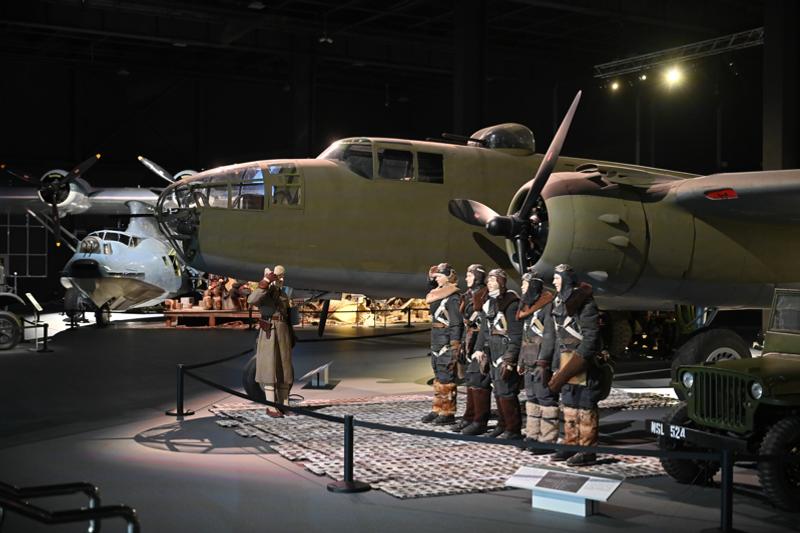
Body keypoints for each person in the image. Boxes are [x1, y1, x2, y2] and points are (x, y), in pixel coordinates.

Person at [544, 264, 602, 466]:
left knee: (585, 406)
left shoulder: (585, 303)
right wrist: (555, 366)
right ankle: (571, 443)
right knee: (569, 404)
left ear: (566, 280)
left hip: (583, 362)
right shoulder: (558, 302)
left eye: (557, 278)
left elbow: (591, 336)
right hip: (564, 358)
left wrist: (579, 360)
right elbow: (558, 338)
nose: (554, 282)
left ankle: (587, 450)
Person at [472, 269, 523, 439]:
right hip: (493, 351)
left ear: (501, 282)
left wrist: (510, 358)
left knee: (507, 391)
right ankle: (502, 425)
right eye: (489, 280)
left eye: (493, 280)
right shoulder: (488, 303)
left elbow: (516, 334)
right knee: (498, 390)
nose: (489, 283)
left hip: (504, 351)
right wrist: (479, 348)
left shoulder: (511, 302)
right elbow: (484, 330)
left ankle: (513, 429)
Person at [516, 270, 557, 453]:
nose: (522, 287)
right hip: (529, 358)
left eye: (525, 284)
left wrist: (544, 361)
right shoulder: (528, 307)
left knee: (545, 398)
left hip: (540, 359)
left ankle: (547, 439)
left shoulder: (547, 306)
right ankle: (532, 435)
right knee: (531, 398)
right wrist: (521, 360)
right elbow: (525, 336)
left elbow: (549, 336)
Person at [247, 265, 296, 417]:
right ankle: (271, 406)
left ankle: (284, 404)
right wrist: (265, 282)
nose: (281, 279)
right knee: (269, 367)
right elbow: (252, 299)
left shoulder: (283, 294)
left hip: (283, 330)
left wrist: (292, 334)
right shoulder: (264, 292)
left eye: (282, 276)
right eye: (278, 276)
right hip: (269, 330)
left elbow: (288, 315)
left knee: (284, 368)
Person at [421, 263, 463, 425]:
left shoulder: (452, 297)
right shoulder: (437, 295)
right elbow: (430, 287)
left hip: (446, 341)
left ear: (447, 277)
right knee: (438, 377)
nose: (436, 279)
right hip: (437, 340)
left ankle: (448, 412)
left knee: (446, 378)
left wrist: (455, 344)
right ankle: (438, 408)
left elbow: (456, 323)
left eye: (439, 276)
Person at [453, 264, 490, 434]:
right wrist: (461, 343)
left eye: (470, 275)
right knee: (470, 380)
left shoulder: (485, 295)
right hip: (469, 339)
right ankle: (469, 417)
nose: (466, 278)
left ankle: (479, 421)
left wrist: (481, 346)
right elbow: (466, 322)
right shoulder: (468, 295)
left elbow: (485, 323)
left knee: (479, 380)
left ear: (477, 277)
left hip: (480, 339)